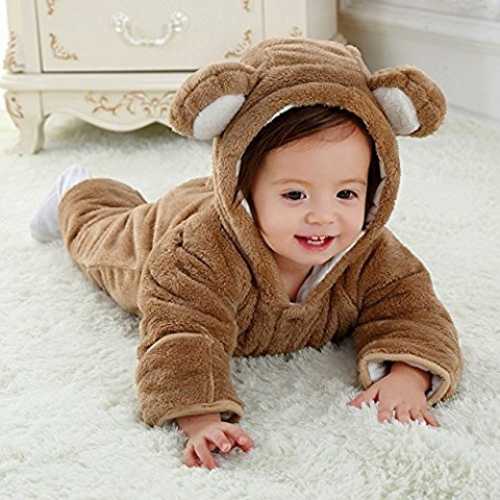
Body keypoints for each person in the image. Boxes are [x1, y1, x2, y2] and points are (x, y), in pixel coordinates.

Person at [29, 37, 463, 470]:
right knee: (97, 237)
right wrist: (200, 419)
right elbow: (183, 334)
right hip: (167, 228)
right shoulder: (194, 256)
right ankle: (76, 189)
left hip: (230, 197)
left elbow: (414, 311)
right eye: (295, 194)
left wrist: (408, 375)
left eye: (346, 193)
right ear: (244, 191)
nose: (323, 216)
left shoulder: (373, 253)